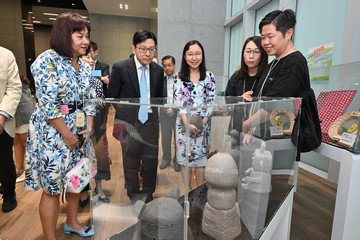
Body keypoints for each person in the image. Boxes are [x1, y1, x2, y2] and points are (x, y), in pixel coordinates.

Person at [25, 12, 96, 239]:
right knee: (52, 188)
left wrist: (90, 125)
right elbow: (48, 104)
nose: (85, 41)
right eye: (79, 36)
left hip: (79, 132)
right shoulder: (46, 61)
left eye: (86, 36)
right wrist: (66, 134)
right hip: (53, 135)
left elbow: (91, 99)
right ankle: (50, 237)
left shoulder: (85, 66)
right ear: (65, 35)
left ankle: (72, 222)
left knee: (77, 179)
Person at [108, 29, 164, 203]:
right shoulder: (120, 68)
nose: (147, 53)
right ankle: (132, 194)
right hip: (129, 123)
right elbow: (112, 97)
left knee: (150, 162)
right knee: (130, 161)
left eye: (151, 49)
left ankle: (148, 194)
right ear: (134, 48)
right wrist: (126, 114)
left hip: (150, 123)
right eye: (143, 49)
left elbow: (159, 98)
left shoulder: (158, 70)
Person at [242, 9, 310, 143]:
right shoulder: (273, 63)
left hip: (283, 138)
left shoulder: (294, 63)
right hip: (266, 137)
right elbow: (261, 98)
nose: (265, 42)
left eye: (270, 36)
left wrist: (247, 124)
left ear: (289, 33)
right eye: (263, 37)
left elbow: (273, 105)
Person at [173, 40, 216, 190]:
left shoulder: (209, 76)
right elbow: (178, 102)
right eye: (190, 54)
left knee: (201, 161)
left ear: (202, 55)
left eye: (197, 53)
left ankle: (199, 196)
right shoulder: (178, 78)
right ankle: (187, 195)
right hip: (183, 127)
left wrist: (202, 122)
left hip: (203, 127)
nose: (194, 57)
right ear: (185, 57)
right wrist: (187, 123)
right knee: (185, 160)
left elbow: (211, 101)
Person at [81, 53, 111, 204]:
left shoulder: (96, 81)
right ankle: (82, 191)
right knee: (80, 159)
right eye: (87, 57)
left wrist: (92, 103)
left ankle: (99, 187)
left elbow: (102, 103)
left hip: (97, 122)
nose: (91, 60)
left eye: (91, 57)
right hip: (78, 123)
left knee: (100, 157)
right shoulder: (73, 79)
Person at [225, 36, 268, 132]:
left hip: (260, 131)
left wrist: (249, 126)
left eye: (256, 52)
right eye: (248, 51)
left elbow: (270, 108)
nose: (251, 56)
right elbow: (227, 103)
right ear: (243, 53)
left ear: (263, 54)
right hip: (236, 130)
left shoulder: (267, 76)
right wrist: (239, 99)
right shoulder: (236, 77)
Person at [0, 46, 22, 213]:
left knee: (4, 161)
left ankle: (9, 193)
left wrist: (2, 115)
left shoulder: (6, 55)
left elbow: (14, 88)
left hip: (2, 121)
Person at [159, 55, 181, 172]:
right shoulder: (160, 80)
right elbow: (157, 98)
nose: (167, 68)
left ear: (174, 65)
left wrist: (174, 109)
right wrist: (165, 109)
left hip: (178, 114)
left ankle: (177, 160)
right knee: (165, 138)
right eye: (165, 66)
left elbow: (183, 97)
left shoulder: (181, 79)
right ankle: (166, 159)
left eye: (169, 65)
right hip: (164, 113)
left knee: (178, 139)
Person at [14, 73, 35, 183]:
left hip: (23, 111)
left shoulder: (15, 75)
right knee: (16, 141)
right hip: (13, 114)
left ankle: (29, 171)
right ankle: (19, 170)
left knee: (25, 142)